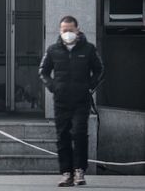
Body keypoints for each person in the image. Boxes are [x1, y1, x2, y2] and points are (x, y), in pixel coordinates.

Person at [38, 16, 104, 187]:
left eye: (70, 30)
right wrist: (53, 86)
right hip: (61, 101)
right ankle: (66, 173)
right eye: (64, 30)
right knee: (62, 136)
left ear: (77, 29)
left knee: (80, 133)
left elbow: (99, 70)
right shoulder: (53, 50)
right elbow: (43, 72)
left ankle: (79, 171)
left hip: (81, 100)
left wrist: (90, 86)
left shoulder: (88, 49)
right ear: (60, 31)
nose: (67, 33)